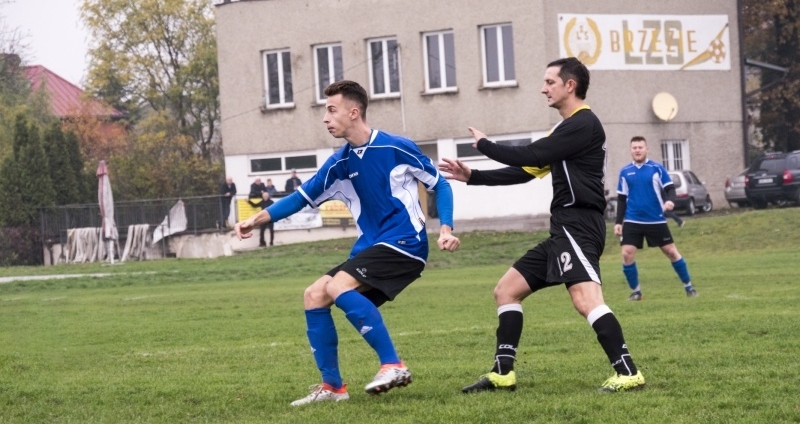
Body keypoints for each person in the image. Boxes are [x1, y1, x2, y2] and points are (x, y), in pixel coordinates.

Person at [235, 80, 460, 406]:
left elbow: (441, 185)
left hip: (405, 242)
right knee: (314, 295)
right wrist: (254, 220)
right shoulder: (339, 163)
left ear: (353, 112)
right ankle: (333, 388)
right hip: (372, 246)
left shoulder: (395, 147)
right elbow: (299, 199)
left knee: (338, 285)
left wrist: (446, 228)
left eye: (331, 110)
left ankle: (394, 365)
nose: (326, 118)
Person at [439, 56, 645, 394]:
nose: (542, 88)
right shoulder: (565, 131)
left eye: (549, 82)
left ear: (570, 85)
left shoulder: (583, 124)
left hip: (579, 225)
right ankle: (502, 372)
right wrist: (472, 176)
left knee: (586, 299)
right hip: (563, 228)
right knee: (506, 290)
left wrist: (486, 145)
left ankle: (627, 372)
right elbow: (524, 171)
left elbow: (530, 155)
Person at [614, 136, 697, 301]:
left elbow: (670, 189)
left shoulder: (657, 168)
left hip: (656, 219)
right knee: (626, 254)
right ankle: (636, 292)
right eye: (634, 148)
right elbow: (622, 199)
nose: (637, 150)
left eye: (640, 147)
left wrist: (670, 201)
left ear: (647, 149)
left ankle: (689, 287)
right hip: (632, 220)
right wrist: (618, 222)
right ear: (631, 150)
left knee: (671, 252)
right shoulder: (625, 172)